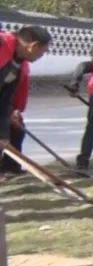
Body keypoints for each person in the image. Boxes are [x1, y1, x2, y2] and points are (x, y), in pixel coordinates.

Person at [0, 27, 51, 166]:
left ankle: (9, 169)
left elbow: (4, 100)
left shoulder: (17, 63)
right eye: (43, 51)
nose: (42, 56)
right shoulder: (2, 45)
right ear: (33, 46)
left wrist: (3, 135)